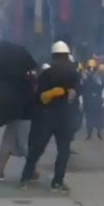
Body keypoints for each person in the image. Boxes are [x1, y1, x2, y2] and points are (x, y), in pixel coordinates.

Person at [20, 41, 81, 192]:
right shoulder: (74, 74)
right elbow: (76, 95)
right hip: (65, 118)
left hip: (46, 117)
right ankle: (57, 182)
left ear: (53, 56)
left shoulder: (47, 74)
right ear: (67, 55)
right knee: (63, 151)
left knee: (37, 149)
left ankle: (25, 178)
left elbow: (37, 97)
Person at [82, 59, 104, 140]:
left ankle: (99, 133)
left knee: (98, 117)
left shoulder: (98, 78)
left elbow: (102, 88)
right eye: (89, 68)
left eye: (92, 68)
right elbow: (84, 89)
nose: (91, 70)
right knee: (89, 118)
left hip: (97, 100)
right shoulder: (86, 78)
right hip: (89, 100)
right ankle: (89, 134)